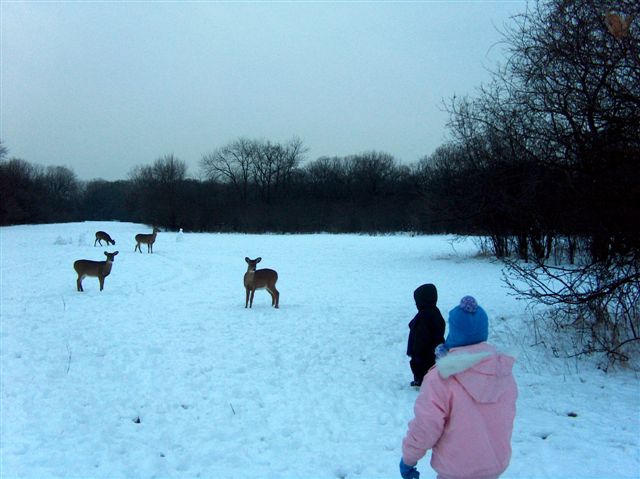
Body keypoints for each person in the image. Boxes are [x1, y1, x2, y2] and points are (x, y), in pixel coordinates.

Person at [400, 296, 518, 479]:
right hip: (494, 466)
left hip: (455, 470)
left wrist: (409, 458)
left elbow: (426, 426)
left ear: (454, 331)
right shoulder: (502, 373)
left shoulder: (442, 377)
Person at [406, 284, 446, 387]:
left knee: (421, 365)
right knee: (431, 365)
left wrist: (416, 349)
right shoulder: (435, 312)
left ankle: (421, 381)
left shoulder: (424, 316)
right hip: (434, 348)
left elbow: (421, 335)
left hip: (423, 351)